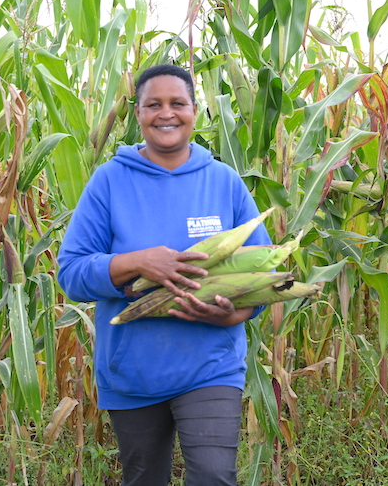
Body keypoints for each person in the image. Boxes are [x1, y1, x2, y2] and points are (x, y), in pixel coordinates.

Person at [57, 63, 270, 486]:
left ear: (195, 111)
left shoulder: (223, 182)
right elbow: (73, 272)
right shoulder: (110, 182)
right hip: (133, 370)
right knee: (144, 479)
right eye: (153, 104)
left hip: (211, 365)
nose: (166, 113)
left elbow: (262, 271)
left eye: (178, 103)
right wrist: (137, 262)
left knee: (213, 476)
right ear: (137, 112)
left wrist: (234, 315)